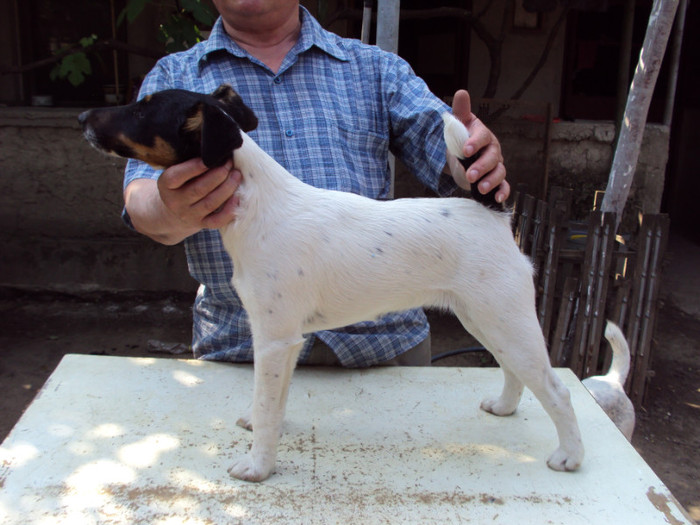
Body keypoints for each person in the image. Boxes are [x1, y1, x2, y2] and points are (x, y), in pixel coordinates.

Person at [122, 0, 510, 367]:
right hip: (241, 351)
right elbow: (141, 201)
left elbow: (441, 142)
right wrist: (168, 208)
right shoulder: (175, 79)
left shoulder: (374, 67)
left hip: (383, 344)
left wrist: (472, 158)